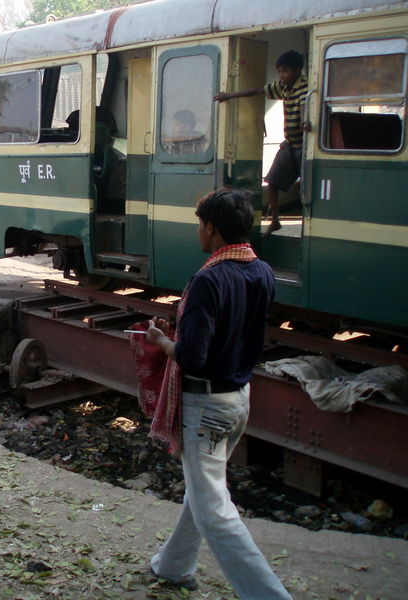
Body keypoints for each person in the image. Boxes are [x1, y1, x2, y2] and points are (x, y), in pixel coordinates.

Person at [143, 189, 291, 599]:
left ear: (211, 228)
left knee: (215, 511)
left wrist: (161, 340)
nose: (198, 232)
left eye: (199, 225)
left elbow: (192, 357)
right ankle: (173, 567)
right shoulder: (262, 271)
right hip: (239, 399)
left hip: (205, 406)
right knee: (203, 492)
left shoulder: (207, 280)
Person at [215, 50, 310, 236]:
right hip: (290, 143)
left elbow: (304, 109)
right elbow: (258, 90)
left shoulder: (304, 87)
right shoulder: (283, 86)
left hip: (305, 146)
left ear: (297, 70)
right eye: (279, 71)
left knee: (307, 189)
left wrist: (304, 123)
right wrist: (230, 96)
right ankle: (275, 220)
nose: (281, 75)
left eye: (285, 71)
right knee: (272, 181)